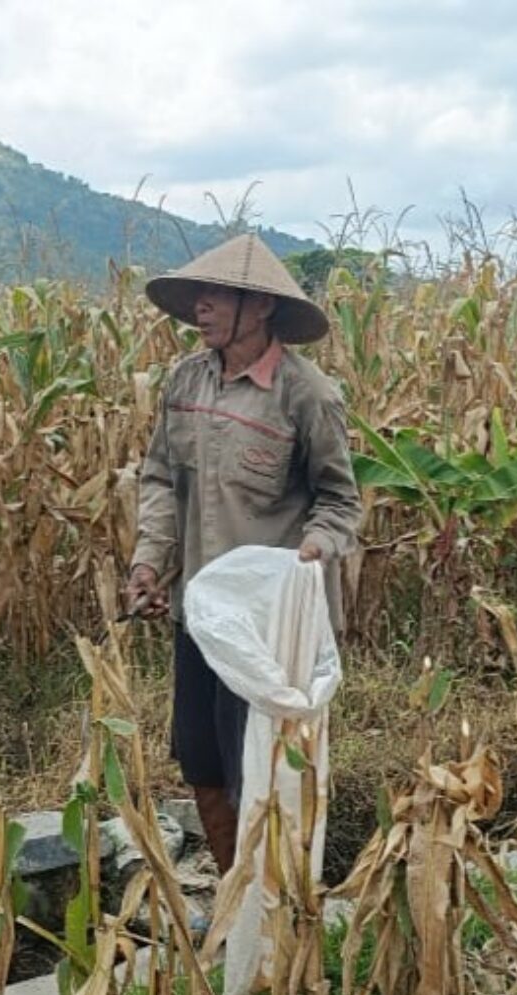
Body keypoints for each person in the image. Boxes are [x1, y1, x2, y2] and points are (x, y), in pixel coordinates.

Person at [125, 233, 361, 876]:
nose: (200, 307)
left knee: (265, 773)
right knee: (202, 763)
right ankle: (234, 900)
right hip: (198, 617)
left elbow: (341, 502)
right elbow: (159, 480)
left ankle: (280, 915)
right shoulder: (186, 382)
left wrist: (314, 549)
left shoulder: (305, 394)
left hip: (271, 631)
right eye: (197, 295)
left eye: (215, 295)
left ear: (259, 308)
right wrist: (150, 561)